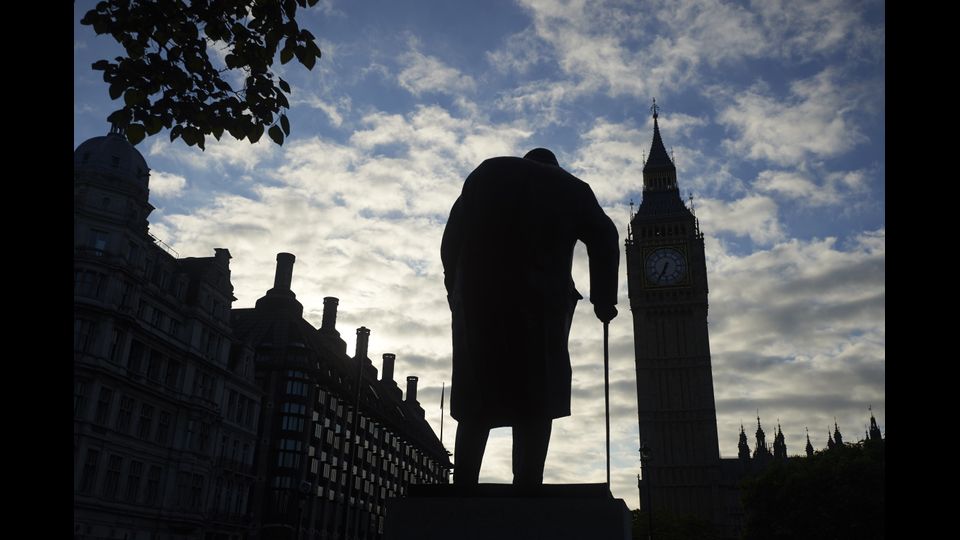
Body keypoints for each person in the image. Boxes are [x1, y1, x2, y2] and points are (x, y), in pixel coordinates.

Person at [441, 148, 619, 487]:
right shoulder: (572, 187)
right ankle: (527, 482)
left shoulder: (486, 172)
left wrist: (456, 290)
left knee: (477, 388)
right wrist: (603, 300)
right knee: (537, 390)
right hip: (541, 303)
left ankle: (463, 481)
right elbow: (605, 238)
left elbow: (450, 240)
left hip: (480, 299)